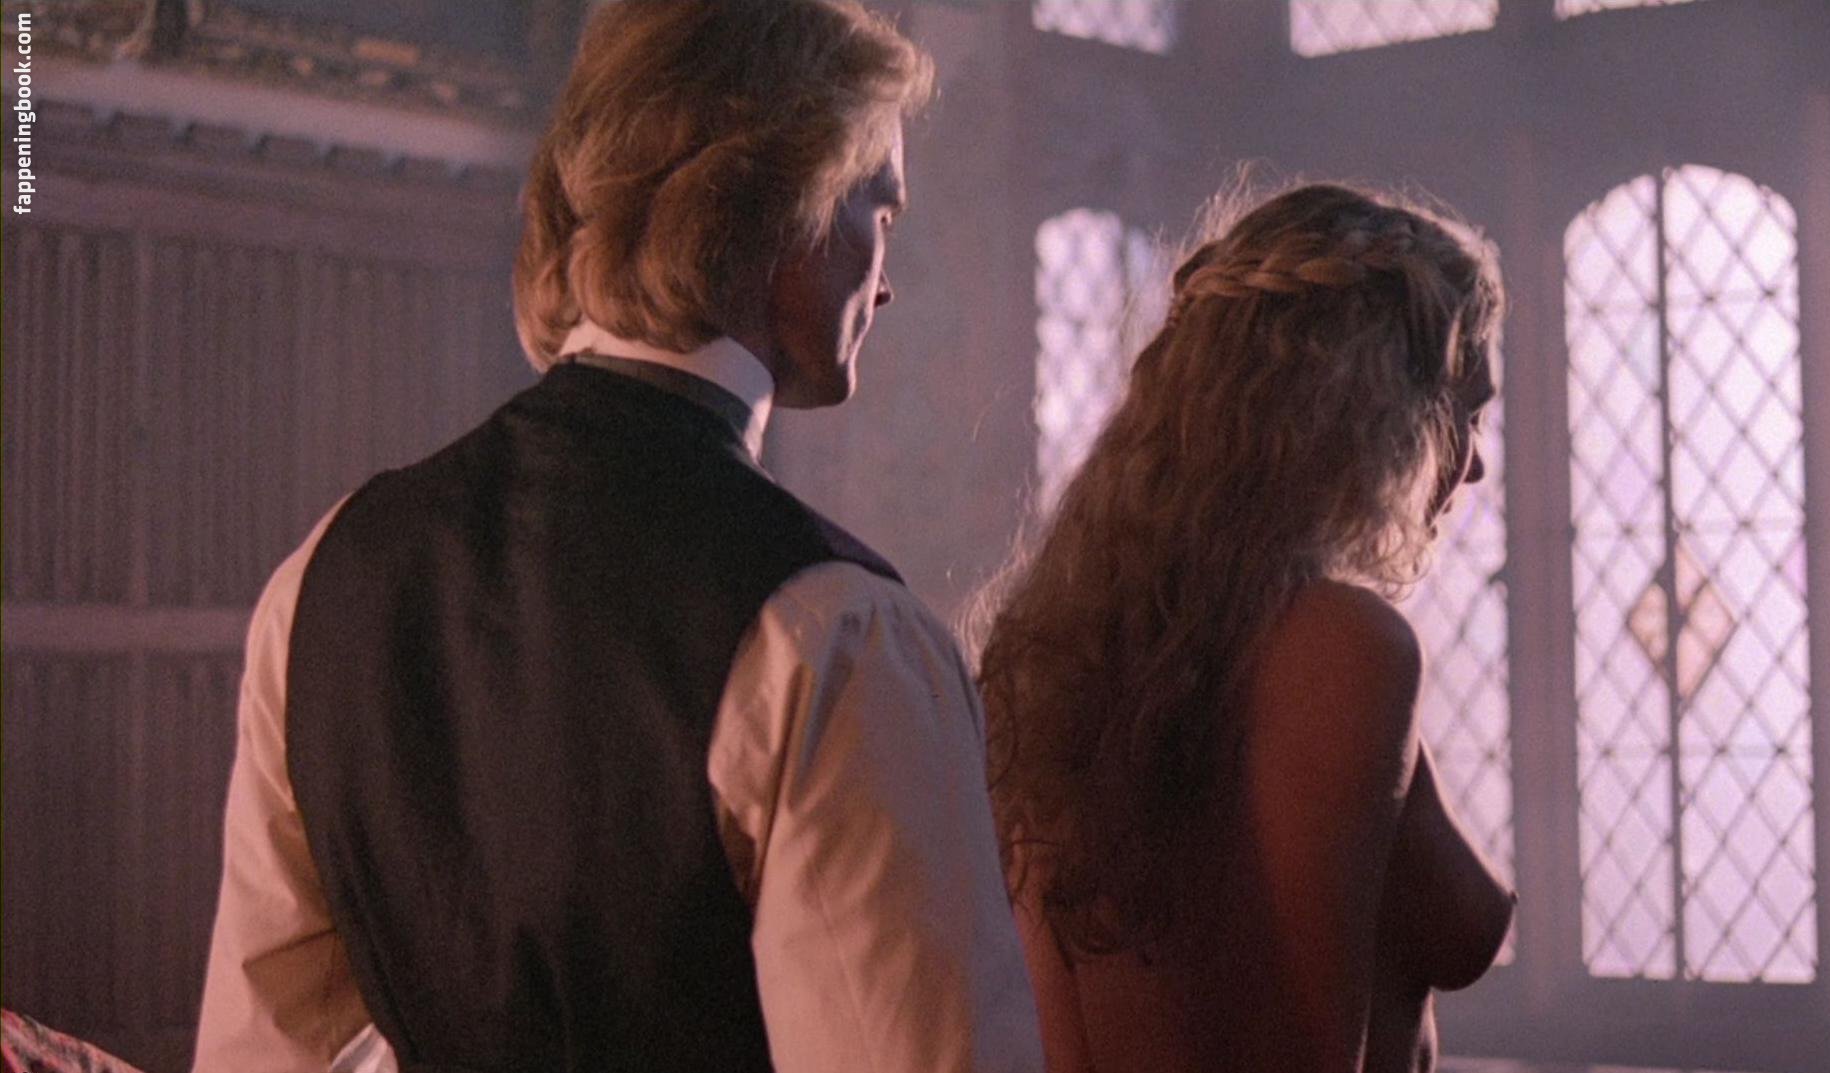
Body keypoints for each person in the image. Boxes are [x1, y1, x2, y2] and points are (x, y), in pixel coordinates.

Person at [192, 2, 1042, 1071]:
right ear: (791, 204)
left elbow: (261, 1050)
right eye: (882, 211)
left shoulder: (327, 575)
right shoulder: (834, 632)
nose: (886, 278)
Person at [976, 181, 1517, 1073]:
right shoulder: (1342, 647)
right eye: (1468, 408)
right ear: (1377, 410)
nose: (1477, 463)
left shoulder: (1061, 645)